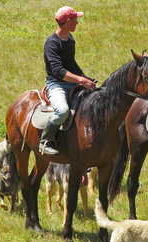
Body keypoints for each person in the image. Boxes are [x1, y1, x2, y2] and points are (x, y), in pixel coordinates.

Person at [41, 6, 96, 155]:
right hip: (57, 84)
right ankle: (45, 140)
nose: (77, 23)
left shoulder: (70, 39)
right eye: (75, 20)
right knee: (63, 111)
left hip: (72, 82)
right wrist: (80, 80)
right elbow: (58, 71)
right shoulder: (52, 43)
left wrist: (85, 77)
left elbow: (71, 64)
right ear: (68, 21)